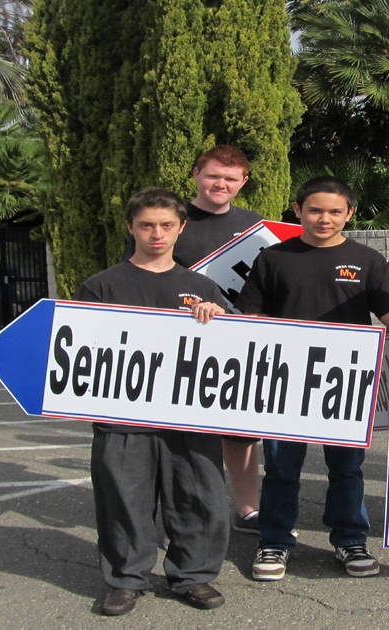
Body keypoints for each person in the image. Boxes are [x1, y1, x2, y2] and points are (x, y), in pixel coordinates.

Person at [76, 188, 229, 615]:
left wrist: (219, 320)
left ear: (181, 227)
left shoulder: (202, 287)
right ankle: (126, 579)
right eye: (146, 225)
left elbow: (230, 355)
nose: (156, 233)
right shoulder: (102, 285)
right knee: (123, 497)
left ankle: (193, 577)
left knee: (199, 497)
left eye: (165, 225)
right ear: (130, 227)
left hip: (191, 418)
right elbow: (81, 351)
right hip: (122, 419)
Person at [235, 176, 389, 581]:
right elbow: (250, 317)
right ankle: (274, 542)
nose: (325, 218)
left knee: (347, 467)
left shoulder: (369, 260)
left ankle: (350, 538)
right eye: (316, 210)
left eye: (335, 211)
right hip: (286, 378)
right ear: (297, 210)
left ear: (350, 214)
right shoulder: (273, 259)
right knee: (282, 467)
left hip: (348, 381)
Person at [124, 145, 266, 535]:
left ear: (243, 182)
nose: (220, 184)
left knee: (242, 431)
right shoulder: (170, 220)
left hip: (236, 343)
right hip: (177, 346)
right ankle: (172, 519)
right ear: (196, 175)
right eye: (212, 175)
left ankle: (248, 510)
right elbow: (138, 277)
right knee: (176, 437)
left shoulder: (256, 225)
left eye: (231, 178)